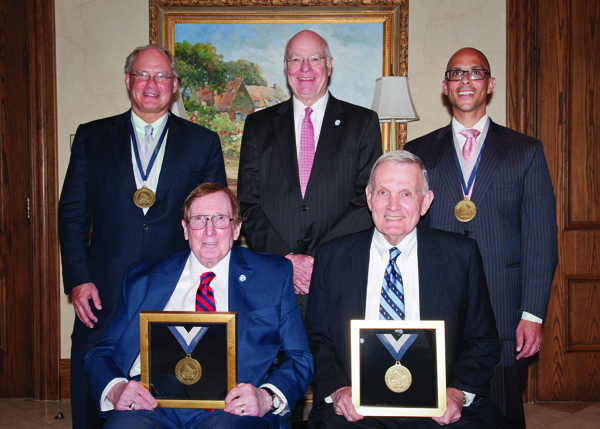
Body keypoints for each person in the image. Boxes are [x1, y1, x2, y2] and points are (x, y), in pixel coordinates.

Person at [58, 45, 227, 428]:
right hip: (102, 285)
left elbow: (214, 219)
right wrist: (78, 280)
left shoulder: (203, 142)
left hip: (174, 285)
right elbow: (71, 214)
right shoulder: (92, 137)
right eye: (143, 75)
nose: (152, 84)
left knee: (172, 388)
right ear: (128, 80)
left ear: (175, 85)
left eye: (162, 76)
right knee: (92, 377)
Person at [404, 47, 558, 427]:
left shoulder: (526, 151)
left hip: (506, 309)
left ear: (489, 84)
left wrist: (533, 313)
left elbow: (540, 240)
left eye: (475, 73)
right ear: (445, 86)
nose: (465, 80)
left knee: (503, 408)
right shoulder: (418, 152)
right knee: (438, 407)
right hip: (437, 304)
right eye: (457, 73)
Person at [305, 151, 511, 429]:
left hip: (438, 408)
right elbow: (317, 339)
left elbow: (482, 341)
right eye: (383, 193)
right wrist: (339, 388)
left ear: (425, 202)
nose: (393, 206)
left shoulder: (460, 256)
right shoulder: (333, 257)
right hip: (358, 408)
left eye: (406, 194)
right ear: (368, 197)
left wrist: (456, 393)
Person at [84, 183, 313, 429]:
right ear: (185, 229)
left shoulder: (272, 276)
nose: (209, 230)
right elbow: (100, 353)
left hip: (231, 409)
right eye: (199, 219)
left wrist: (266, 397)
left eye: (220, 219)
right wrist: (117, 388)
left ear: (236, 229)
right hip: (152, 405)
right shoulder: (143, 279)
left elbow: (300, 357)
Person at [238, 29, 383, 316]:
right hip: (274, 282)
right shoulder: (258, 125)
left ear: (329, 65)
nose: (305, 68)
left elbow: (366, 200)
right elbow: (249, 202)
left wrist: (318, 260)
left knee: (333, 361)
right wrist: (287, 261)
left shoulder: (362, 123)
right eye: (296, 59)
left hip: (337, 279)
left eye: (314, 58)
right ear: (286, 66)